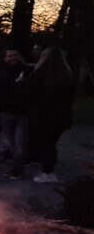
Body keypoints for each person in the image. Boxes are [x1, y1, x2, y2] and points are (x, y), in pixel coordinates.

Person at [27, 47, 76, 183]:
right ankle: (48, 168)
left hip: (43, 116)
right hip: (62, 116)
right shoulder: (68, 75)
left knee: (46, 144)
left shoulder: (38, 75)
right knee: (51, 143)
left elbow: (30, 95)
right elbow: (71, 97)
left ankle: (47, 172)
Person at [0, 48, 31, 178]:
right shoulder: (2, 72)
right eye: (10, 56)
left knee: (20, 142)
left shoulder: (27, 71)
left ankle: (18, 170)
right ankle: (16, 166)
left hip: (22, 113)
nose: (12, 58)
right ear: (5, 58)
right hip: (5, 113)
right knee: (11, 143)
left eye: (15, 55)